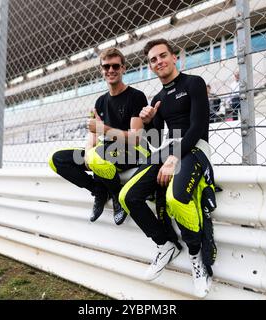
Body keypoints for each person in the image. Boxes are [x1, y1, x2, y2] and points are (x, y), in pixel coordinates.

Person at [118, 39, 217, 298]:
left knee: (176, 198)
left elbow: (197, 127)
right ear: (150, 66)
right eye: (153, 59)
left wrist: (173, 157)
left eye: (163, 56)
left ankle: (197, 257)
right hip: (168, 152)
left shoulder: (193, 83)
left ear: (175, 58)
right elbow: (155, 142)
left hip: (196, 149)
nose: (158, 61)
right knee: (127, 196)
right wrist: (150, 122)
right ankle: (165, 245)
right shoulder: (158, 99)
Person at [49, 48, 148, 225]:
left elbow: (136, 138)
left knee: (97, 155)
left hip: (134, 152)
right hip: (104, 153)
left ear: (123, 68)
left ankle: (118, 195)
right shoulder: (100, 101)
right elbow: (93, 136)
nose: (111, 70)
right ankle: (98, 191)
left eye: (116, 66)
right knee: (57, 160)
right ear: (101, 70)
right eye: (106, 66)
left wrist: (103, 129)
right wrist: (87, 152)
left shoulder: (136, 96)